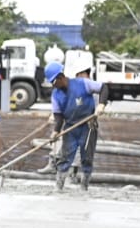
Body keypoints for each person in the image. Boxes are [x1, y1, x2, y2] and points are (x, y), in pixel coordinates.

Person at [45, 61, 106, 191]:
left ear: (60, 77)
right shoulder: (56, 95)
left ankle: (84, 187)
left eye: (54, 82)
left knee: (87, 158)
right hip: (70, 128)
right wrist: (56, 131)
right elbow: (59, 116)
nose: (53, 85)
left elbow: (103, 88)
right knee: (65, 157)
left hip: (88, 126)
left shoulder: (82, 83)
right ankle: (59, 186)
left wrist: (101, 104)